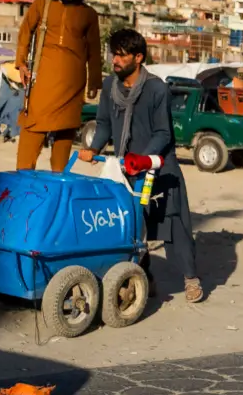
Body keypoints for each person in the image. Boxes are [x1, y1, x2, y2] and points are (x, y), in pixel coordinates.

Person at [78, 29, 204, 303]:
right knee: (132, 226)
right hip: (124, 167)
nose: (116, 60)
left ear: (139, 57)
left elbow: (163, 133)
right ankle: (144, 277)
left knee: (173, 224)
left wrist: (143, 160)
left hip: (159, 165)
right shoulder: (110, 86)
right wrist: (93, 148)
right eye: (114, 54)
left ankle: (191, 278)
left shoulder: (156, 88)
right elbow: (103, 125)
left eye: (122, 55)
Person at [16, 0, 101, 172]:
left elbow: (94, 50)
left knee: (65, 133)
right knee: (33, 127)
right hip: (43, 81)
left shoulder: (89, 14)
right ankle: (23, 179)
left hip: (73, 85)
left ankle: (58, 182)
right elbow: (25, 33)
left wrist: (95, 81)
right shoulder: (42, 5)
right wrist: (21, 64)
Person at [0, 64, 24, 142]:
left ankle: (10, 132)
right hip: (11, 78)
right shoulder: (7, 68)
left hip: (16, 81)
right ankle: (9, 132)